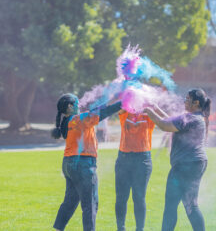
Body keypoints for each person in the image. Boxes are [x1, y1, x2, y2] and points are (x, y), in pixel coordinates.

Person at [51, 93, 121, 231]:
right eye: (77, 102)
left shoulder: (67, 121)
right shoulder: (79, 119)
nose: (80, 104)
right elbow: (104, 112)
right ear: (70, 106)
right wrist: (123, 102)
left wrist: (115, 96)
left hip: (68, 164)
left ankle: (57, 229)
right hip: (82, 164)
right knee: (90, 204)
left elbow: (100, 108)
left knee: (70, 202)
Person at [144, 88, 211, 231]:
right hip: (194, 164)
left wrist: (148, 111)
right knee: (191, 205)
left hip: (185, 166)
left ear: (196, 102)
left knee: (172, 206)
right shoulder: (196, 117)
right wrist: (155, 108)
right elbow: (168, 120)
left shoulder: (191, 118)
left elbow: (164, 125)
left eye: (187, 99)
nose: (184, 101)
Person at [115, 108, 166, 231]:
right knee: (121, 197)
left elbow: (165, 120)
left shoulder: (148, 115)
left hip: (142, 160)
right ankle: (120, 228)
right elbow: (119, 105)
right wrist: (130, 96)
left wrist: (152, 105)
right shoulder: (125, 112)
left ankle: (140, 229)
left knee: (139, 197)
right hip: (124, 158)